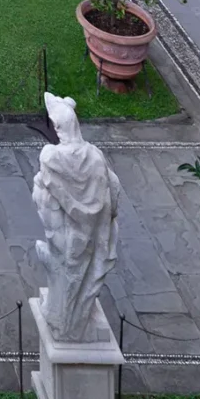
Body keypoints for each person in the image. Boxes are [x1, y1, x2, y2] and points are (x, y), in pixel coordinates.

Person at [32, 92, 121, 342]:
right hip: (94, 232)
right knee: (80, 276)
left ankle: (66, 324)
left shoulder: (52, 157)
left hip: (68, 230)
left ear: (59, 127)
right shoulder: (95, 156)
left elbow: (48, 185)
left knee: (69, 274)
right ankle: (69, 318)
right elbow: (113, 190)